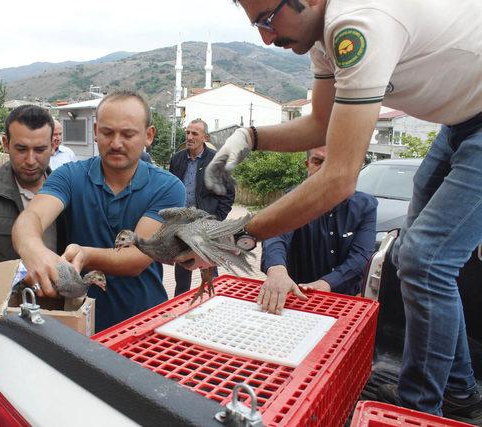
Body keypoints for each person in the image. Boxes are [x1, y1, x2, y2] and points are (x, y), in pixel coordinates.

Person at [201, 0, 482, 420]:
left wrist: (237, 237)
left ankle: (415, 410)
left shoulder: (358, 23)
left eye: (268, 18)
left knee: (426, 262)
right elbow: (320, 124)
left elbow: (339, 177)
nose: (265, 37)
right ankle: (460, 391)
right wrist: (249, 136)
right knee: (409, 257)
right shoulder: (320, 38)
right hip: (460, 122)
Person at [12, 90, 185, 332]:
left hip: (145, 323)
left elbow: (136, 258)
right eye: (107, 132)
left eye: (127, 134)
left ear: (149, 135)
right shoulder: (70, 176)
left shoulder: (168, 187)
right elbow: (33, 216)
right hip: (78, 322)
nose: (116, 143)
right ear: (95, 132)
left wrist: (85, 254)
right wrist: (33, 249)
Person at [259, 146, 376, 313]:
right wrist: (276, 270)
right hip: (297, 298)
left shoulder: (365, 206)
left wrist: (327, 283)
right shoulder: (292, 201)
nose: (325, 170)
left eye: (333, 163)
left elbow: (361, 255)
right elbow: (276, 235)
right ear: (308, 165)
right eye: (318, 161)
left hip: (344, 301)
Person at [0, 105, 60, 268]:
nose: (30, 160)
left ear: (53, 145)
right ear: (6, 143)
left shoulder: (68, 190)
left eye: (40, 150)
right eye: (21, 149)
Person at [169, 119, 234, 296]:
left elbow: (229, 194)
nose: (189, 137)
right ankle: (179, 307)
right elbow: (170, 189)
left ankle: (213, 303)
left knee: (209, 271)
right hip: (181, 226)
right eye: (187, 133)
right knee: (182, 273)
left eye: (194, 134)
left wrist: (216, 219)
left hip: (205, 227)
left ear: (205, 137)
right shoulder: (177, 159)